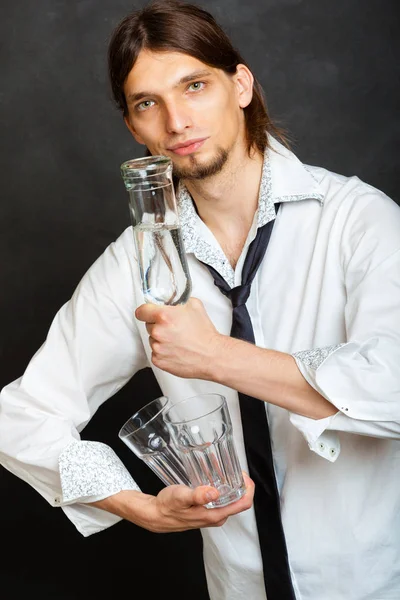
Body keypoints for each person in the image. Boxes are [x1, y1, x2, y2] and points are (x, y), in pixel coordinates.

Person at [1, 1, 399, 598]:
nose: (177, 120)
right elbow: (23, 414)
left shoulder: (358, 220)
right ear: (134, 129)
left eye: (194, 86)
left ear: (240, 85)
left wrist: (213, 356)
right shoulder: (134, 263)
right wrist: (137, 506)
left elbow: (393, 388)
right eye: (147, 103)